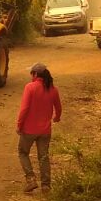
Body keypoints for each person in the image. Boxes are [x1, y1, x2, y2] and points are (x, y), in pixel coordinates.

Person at [16, 62, 63, 193]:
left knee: (23, 153)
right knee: (43, 157)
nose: (31, 76)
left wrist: (19, 125)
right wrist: (57, 117)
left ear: (35, 74)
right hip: (45, 131)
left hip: (28, 130)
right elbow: (58, 108)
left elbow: (24, 109)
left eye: (32, 74)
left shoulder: (30, 87)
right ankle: (46, 185)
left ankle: (31, 179)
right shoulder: (53, 89)